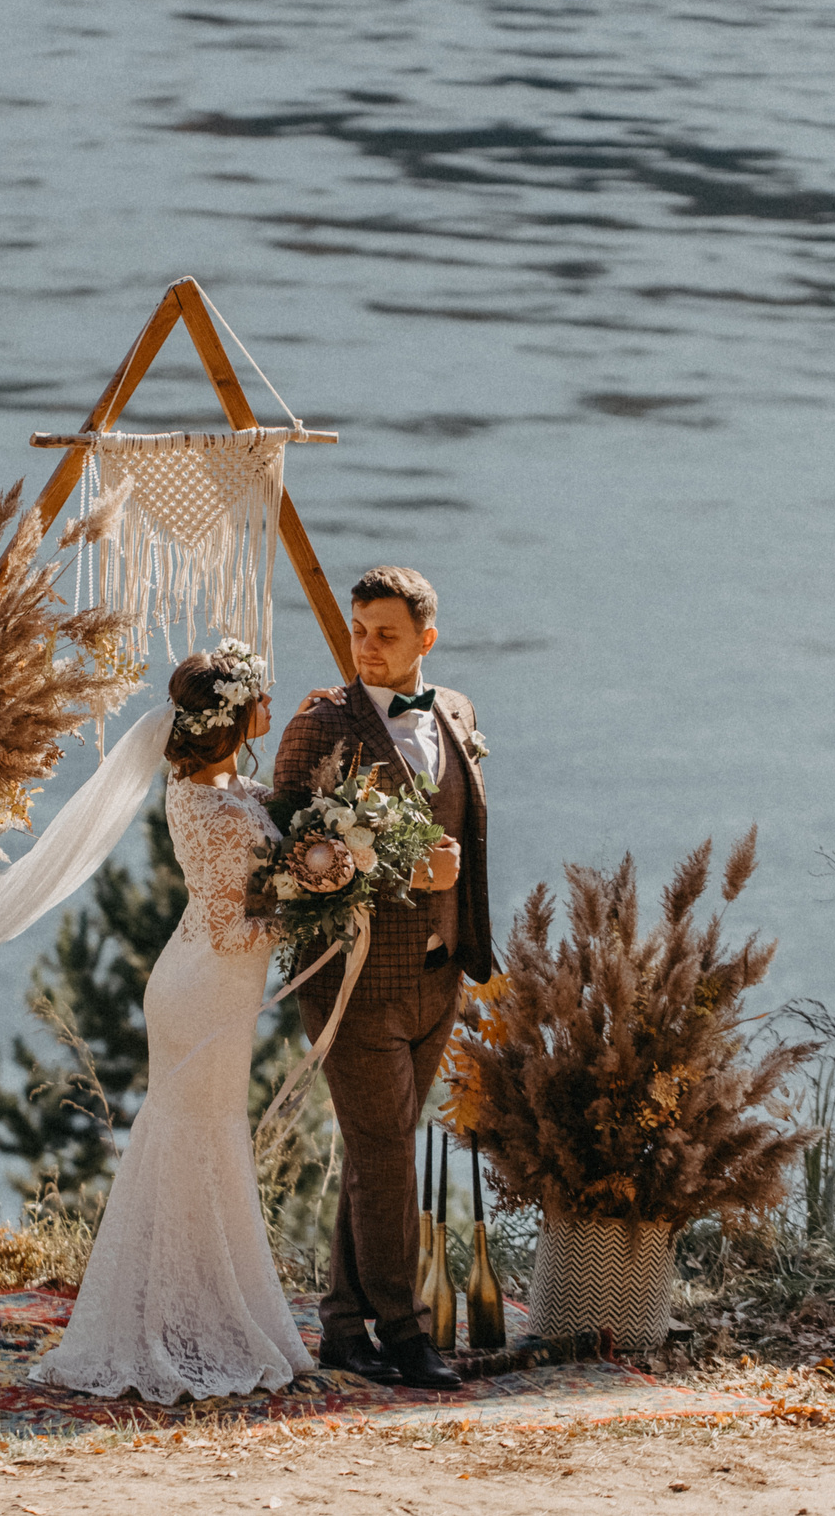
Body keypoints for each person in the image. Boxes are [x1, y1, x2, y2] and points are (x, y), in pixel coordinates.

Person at [27, 641, 316, 1404]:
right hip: (204, 988)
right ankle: (177, 1326)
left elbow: (266, 841)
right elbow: (236, 927)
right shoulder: (211, 805)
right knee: (196, 1138)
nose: (271, 706)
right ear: (235, 716)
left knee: (207, 1139)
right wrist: (319, 899)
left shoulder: (222, 786)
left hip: (204, 983)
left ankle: (205, 1311)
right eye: (262, 695)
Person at [273, 565, 491, 1391]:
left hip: (439, 977)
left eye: (385, 633)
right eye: (359, 628)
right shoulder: (319, 726)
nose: (365, 646)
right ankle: (404, 1332)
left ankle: (340, 1324)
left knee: (377, 1156)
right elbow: (285, 864)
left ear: (425, 641)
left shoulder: (460, 714)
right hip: (353, 981)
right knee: (388, 1156)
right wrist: (402, 872)